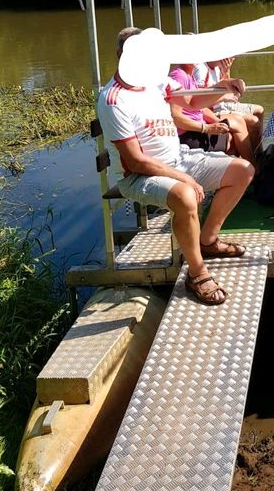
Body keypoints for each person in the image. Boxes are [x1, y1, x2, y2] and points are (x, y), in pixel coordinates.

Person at [97, 27, 255, 305]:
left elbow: (192, 101)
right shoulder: (113, 99)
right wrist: (184, 178)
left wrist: (223, 88)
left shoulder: (156, 81)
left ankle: (208, 241)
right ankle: (197, 273)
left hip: (179, 158)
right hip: (138, 176)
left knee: (243, 171)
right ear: (120, 55)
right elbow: (135, 161)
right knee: (185, 194)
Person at [168, 62, 256, 163]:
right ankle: (252, 170)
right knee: (232, 139)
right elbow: (175, 117)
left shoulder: (188, 74)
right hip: (187, 134)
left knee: (235, 127)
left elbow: (199, 108)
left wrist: (217, 121)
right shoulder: (179, 76)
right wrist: (206, 128)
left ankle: (248, 167)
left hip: (196, 127)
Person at [193, 56, 264, 154]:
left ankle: (259, 152)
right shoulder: (201, 69)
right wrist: (224, 97)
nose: (230, 57)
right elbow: (198, 103)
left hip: (222, 104)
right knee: (254, 121)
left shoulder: (218, 67)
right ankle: (254, 155)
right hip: (212, 109)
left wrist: (226, 71)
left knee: (259, 110)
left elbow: (226, 86)